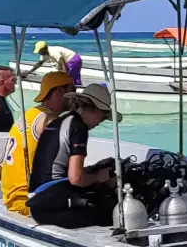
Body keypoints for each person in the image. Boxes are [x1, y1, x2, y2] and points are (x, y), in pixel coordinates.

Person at [26, 83, 122, 229]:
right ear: (94, 109)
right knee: (113, 209)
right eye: (102, 117)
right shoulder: (78, 128)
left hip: (38, 199)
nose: (100, 122)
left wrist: (93, 170)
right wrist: (99, 177)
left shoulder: (61, 121)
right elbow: (76, 178)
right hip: (53, 205)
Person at [0, 71, 75, 216]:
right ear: (60, 91)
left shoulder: (29, 114)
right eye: (73, 90)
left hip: (12, 197)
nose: (75, 98)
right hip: (28, 200)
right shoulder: (49, 120)